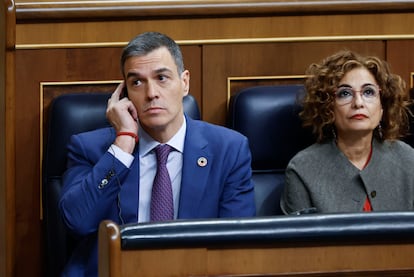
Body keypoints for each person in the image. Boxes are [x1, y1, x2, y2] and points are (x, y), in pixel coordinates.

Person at [59, 31, 255, 276]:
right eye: (137, 82)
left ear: (184, 82)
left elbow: (237, 245)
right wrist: (123, 144)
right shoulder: (91, 148)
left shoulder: (228, 149)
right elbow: (76, 221)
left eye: (162, 78)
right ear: (124, 94)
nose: (151, 93)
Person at [281, 50, 414, 215]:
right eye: (345, 94)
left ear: (382, 107)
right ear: (328, 108)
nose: (358, 103)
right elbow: (299, 239)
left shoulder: (408, 160)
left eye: (368, 92)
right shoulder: (302, 169)